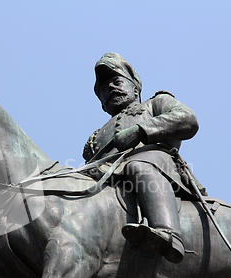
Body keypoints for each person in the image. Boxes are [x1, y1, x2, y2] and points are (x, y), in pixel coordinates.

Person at [83, 53, 200, 263]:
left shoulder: (156, 103)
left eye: (117, 82)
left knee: (138, 166)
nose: (110, 88)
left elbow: (188, 120)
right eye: (103, 88)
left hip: (157, 164)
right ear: (101, 102)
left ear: (135, 87)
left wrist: (140, 130)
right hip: (111, 178)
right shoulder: (95, 137)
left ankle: (168, 234)